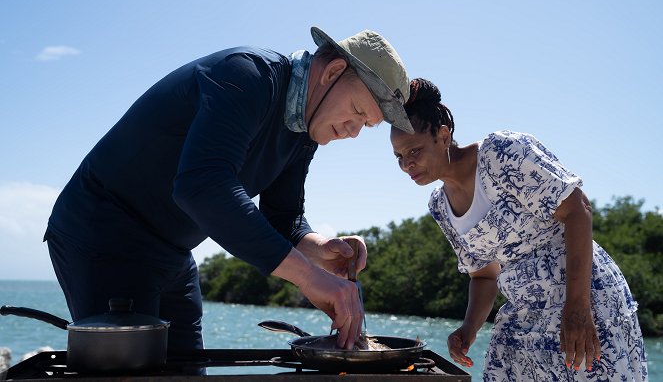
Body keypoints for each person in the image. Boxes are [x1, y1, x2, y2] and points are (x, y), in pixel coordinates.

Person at [44, 26, 415, 358]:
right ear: (332, 72)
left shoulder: (305, 132)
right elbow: (202, 186)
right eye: (355, 112)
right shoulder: (247, 76)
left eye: (365, 126)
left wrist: (319, 249)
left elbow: (283, 218)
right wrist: (308, 278)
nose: (352, 131)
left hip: (173, 251)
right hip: (103, 232)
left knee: (189, 370)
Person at [390, 78, 648, 381]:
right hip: (525, 311)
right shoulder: (440, 207)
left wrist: (577, 307)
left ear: (443, 136)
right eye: (399, 157)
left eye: (414, 150)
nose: (407, 164)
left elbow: (579, 210)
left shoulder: (501, 153)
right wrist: (469, 328)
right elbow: (484, 275)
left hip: (583, 299)